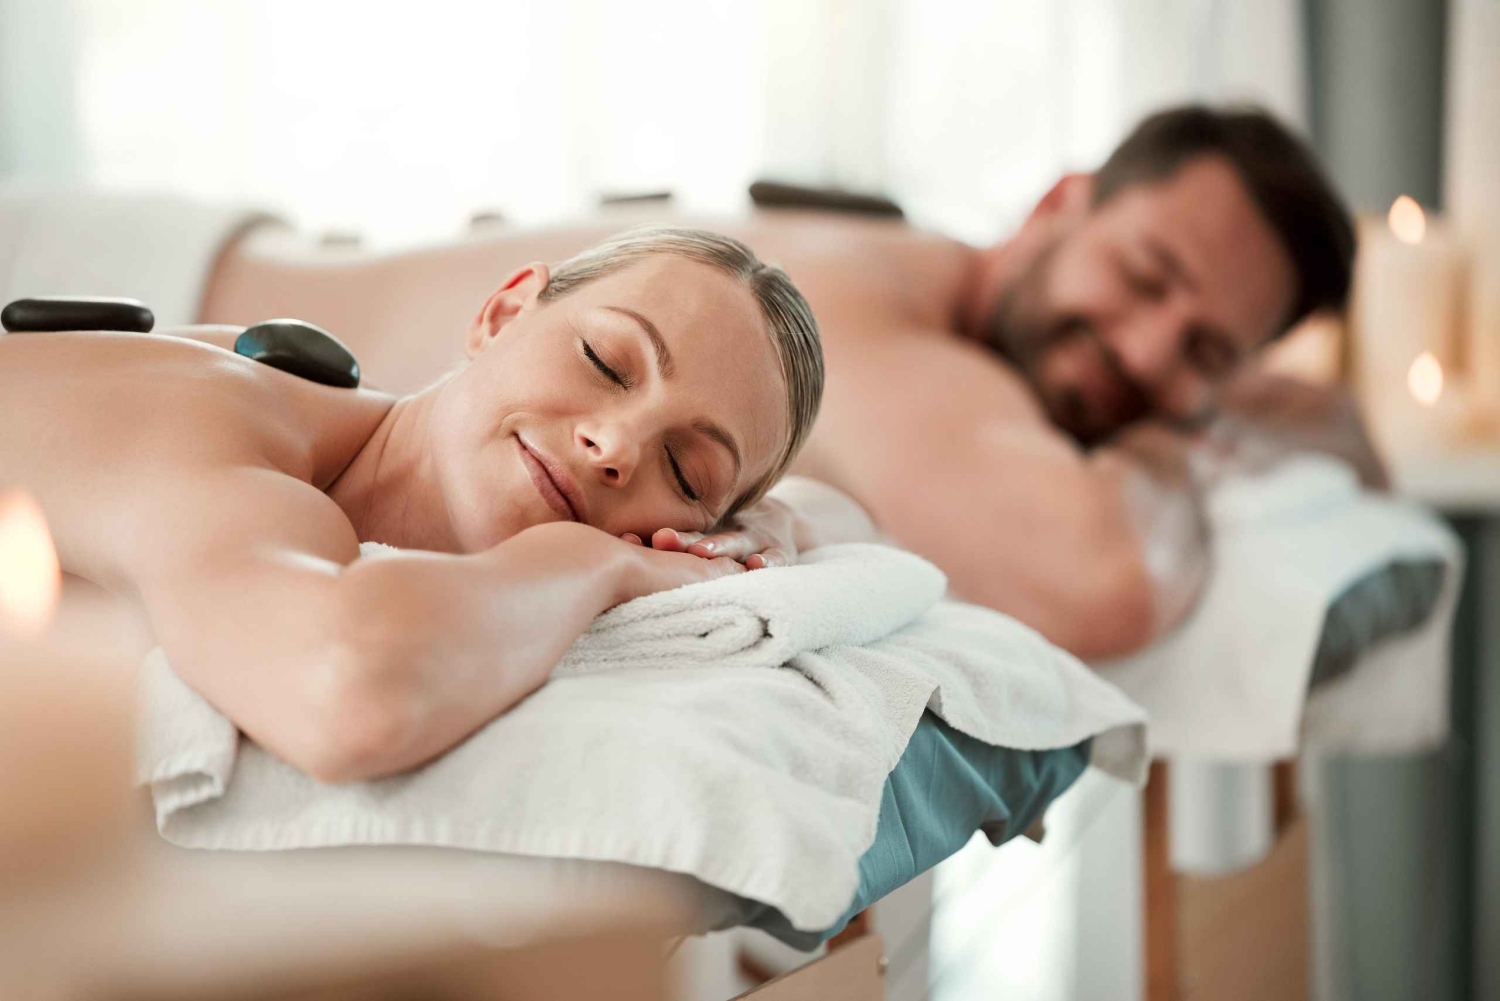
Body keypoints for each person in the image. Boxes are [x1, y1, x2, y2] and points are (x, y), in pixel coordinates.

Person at [198, 104, 1381, 661]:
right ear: (1057, 204)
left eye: (1204, 354)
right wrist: (1183, 437)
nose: (1146, 352)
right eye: (1145, 274)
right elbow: (1099, 586)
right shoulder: (881, 314)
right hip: (163, 287)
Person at [0, 227, 863, 783]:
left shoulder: (335, 452)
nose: (615, 446)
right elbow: (347, 690)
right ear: (502, 313)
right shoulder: (215, 434)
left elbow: (842, 518)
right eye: (606, 362)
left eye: (685, 469)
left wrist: (767, 526)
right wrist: (595, 561)